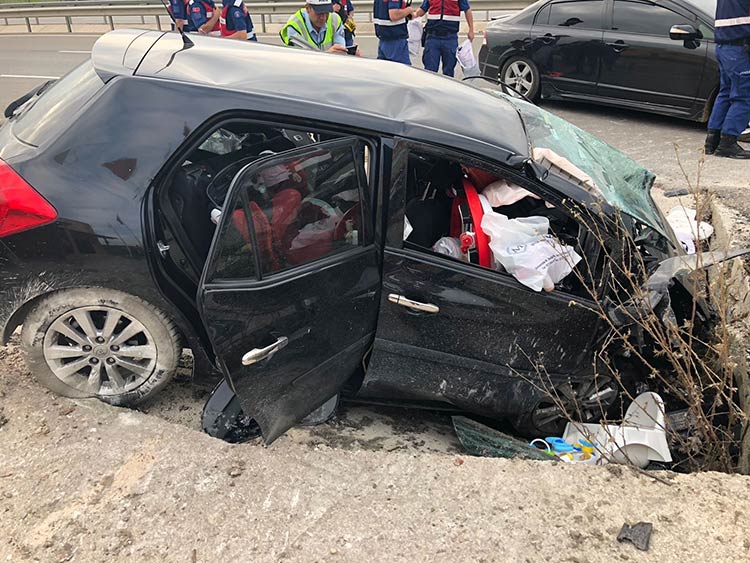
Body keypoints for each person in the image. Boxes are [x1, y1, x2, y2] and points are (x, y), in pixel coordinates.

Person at [705, 0, 750, 158]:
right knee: (744, 97)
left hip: (725, 47)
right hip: (739, 48)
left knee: (725, 93)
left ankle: (712, 141)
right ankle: (727, 144)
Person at [414, 0, 473, 77]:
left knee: (449, 71)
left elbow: (467, 10)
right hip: (432, 37)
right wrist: (411, 16)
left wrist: (471, 29)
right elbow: (422, 9)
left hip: (450, 37)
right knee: (430, 71)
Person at [280, 0, 347, 53]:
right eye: (319, 13)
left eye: (327, 12)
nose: (323, 17)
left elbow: (340, 51)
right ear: (307, 8)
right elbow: (301, 60)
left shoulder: (335, 20)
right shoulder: (295, 26)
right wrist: (328, 54)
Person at [373, 0, 414, 64]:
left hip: (383, 38)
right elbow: (394, 15)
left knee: (385, 67)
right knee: (402, 68)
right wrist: (408, 10)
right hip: (395, 38)